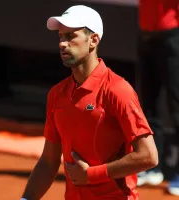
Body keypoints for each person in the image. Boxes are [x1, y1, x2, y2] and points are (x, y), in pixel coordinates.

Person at [21, 5, 158, 200]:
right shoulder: (57, 94)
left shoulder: (118, 90)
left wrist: (90, 175)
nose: (62, 44)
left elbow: (148, 156)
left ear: (93, 40)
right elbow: (48, 162)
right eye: (61, 37)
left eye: (71, 36)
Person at [137, 0, 179, 196]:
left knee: (177, 107)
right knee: (148, 105)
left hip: (173, 36)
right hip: (146, 35)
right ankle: (152, 166)